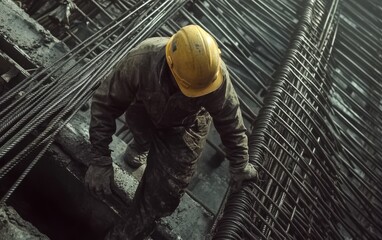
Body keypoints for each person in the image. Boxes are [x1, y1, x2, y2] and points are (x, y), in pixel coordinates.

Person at [85, 25, 257, 239]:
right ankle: (141, 144)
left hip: (186, 124)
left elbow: (230, 119)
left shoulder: (214, 77)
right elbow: (105, 103)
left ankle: (124, 235)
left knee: (164, 195)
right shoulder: (141, 60)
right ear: (170, 65)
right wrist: (100, 159)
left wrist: (240, 163)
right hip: (145, 108)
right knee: (140, 127)